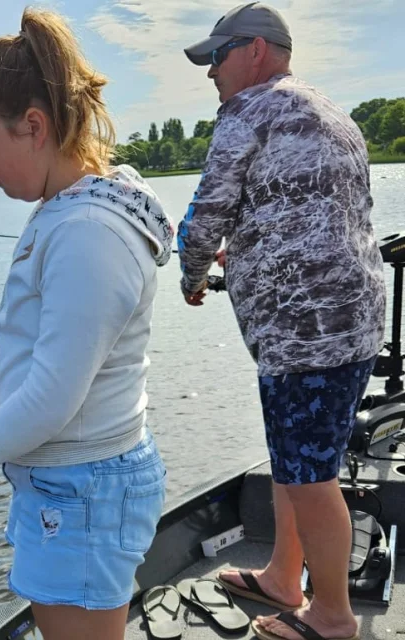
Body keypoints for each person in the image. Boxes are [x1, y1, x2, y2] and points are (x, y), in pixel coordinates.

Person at [0, 7, 174, 640]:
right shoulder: (65, 211)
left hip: (85, 488)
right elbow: (31, 329)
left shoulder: (89, 234)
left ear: (33, 126)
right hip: (66, 483)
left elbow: (52, 396)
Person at [177, 3, 385, 640]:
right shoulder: (329, 109)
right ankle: (281, 576)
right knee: (297, 460)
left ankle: (331, 617)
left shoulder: (247, 111)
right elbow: (305, 209)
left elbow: (206, 214)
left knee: (312, 476)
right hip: (355, 322)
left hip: (306, 334)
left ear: (256, 51)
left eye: (217, 56)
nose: (210, 72)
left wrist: (192, 277)